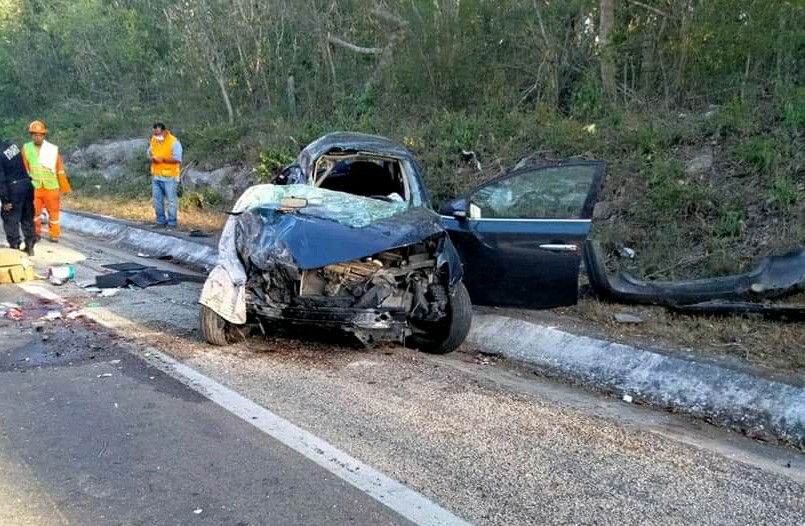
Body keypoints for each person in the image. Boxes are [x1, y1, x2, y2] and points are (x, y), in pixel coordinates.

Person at [21, 120, 71, 243]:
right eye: (34, 134)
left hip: (51, 186)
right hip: (34, 186)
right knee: (34, 213)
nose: (37, 137)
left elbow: (59, 169)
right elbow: (24, 168)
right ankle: (35, 233)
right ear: (31, 135)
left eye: (40, 134)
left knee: (54, 213)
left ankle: (54, 234)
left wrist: (64, 186)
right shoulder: (26, 148)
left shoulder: (52, 149)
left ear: (44, 135)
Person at [0, 137, 36, 255]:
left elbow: (1, 181)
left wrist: (5, 201)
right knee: (27, 216)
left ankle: (15, 246)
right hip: (27, 184)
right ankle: (30, 245)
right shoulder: (12, 145)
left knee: (10, 217)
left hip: (14, 188)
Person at [147, 123, 182, 229]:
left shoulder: (174, 142)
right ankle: (160, 221)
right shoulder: (154, 139)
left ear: (164, 131)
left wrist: (163, 159)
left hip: (169, 176)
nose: (156, 135)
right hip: (156, 175)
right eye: (154, 133)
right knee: (157, 200)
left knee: (171, 201)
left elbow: (177, 159)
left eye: (158, 133)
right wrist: (151, 157)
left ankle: (172, 223)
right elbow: (149, 152)